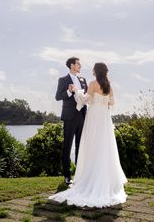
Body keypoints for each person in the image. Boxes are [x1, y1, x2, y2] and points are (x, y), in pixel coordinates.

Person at [49, 62, 127, 208]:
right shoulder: (109, 85)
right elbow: (112, 103)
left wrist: (76, 91)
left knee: (91, 146)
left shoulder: (92, 83)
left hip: (93, 118)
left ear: (96, 71)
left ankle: (90, 177)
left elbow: (85, 100)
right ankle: (106, 179)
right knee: (105, 147)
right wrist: (103, 104)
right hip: (104, 118)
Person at [55, 57, 88, 185]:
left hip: (82, 116)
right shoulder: (63, 80)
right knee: (67, 146)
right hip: (69, 117)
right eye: (78, 63)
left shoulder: (83, 80)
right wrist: (69, 91)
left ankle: (79, 175)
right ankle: (67, 176)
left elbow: (86, 96)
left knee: (81, 146)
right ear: (71, 65)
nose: (80, 65)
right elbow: (58, 96)